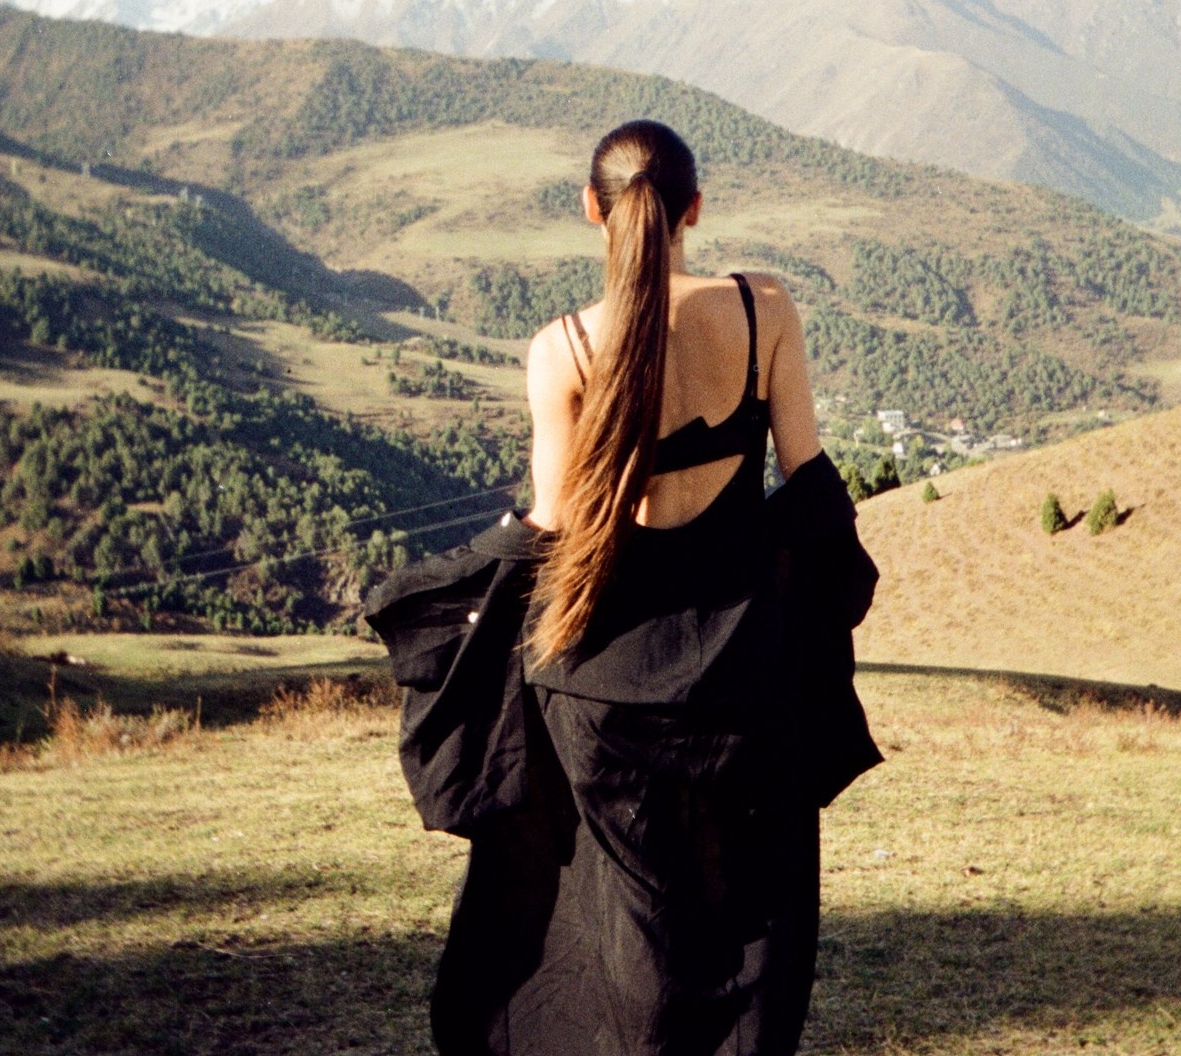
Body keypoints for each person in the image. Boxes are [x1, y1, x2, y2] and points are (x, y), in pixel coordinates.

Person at [366, 119, 880, 1056]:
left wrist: (440, 600)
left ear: (590, 210)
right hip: (743, 677)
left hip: (602, 686)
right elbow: (806, 482)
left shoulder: (560, 347)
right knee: (750, 921)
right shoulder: (764, 308)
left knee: (632, 932)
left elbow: (552, 529)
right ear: (693, 210)